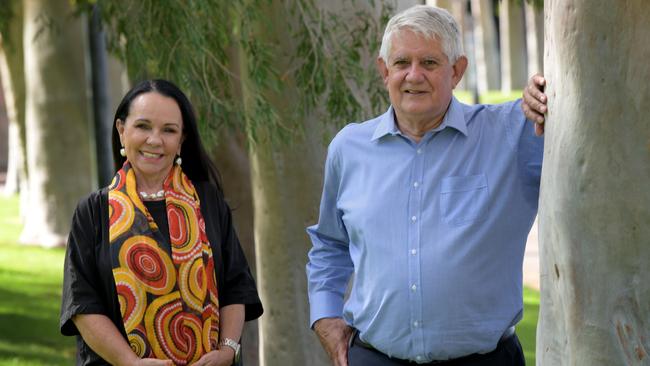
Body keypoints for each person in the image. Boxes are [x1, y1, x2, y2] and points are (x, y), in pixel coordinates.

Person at [306, 5, 544, 366]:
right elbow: (329, 244)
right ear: (384, 71)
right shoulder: (348, 148)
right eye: (402, 63)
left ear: (457, 70)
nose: (413, 76)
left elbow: (578, 119)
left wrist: (546, 94)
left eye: (429, 63)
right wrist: (325, 316)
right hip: (375, 358)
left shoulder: (513, 134)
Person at [60, 79, 263, 366]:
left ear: (181, 140)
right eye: (143, 126)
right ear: (121, 130)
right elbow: (82, 304)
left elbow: (236, 285)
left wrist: (228, 351)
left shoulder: (207, 202)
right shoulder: (93, 213)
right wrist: (130, 362)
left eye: (168, 130)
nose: (155, 140)